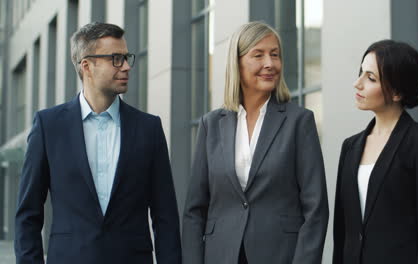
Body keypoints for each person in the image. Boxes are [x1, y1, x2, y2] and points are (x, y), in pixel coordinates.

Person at [15, 22, 181, 264]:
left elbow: (165, 215)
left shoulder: (149, 128)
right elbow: (28, 214)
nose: (126, 66)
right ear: (87, 66)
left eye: (126, 58)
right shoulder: (48, 126)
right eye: (116, 58)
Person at [182, 21, 329, 264]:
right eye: (258, 55)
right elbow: (194, 210)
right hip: (221, 255)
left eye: (275, 55)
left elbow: (316, 208)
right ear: (236, 63)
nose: (270, 64)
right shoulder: (211, 125)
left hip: (281, 255)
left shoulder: (299, 122)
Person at [333, 40, 418, 264]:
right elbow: (342, 228)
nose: (358, 84)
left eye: (371, 78)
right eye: (361, 73)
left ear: (396, 92)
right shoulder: (350, 146)